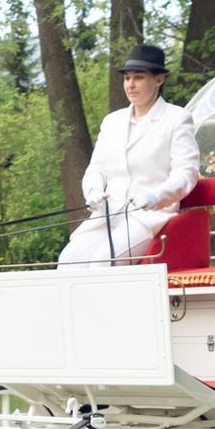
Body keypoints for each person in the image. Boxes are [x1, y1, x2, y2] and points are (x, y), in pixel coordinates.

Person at [57, 43, 201, 266]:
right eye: (127, 78)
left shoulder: (177, 119)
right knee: (68, 261)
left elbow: (187, 173)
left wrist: (156, 196)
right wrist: (93, 191)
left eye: (139, 78)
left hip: (147, 217)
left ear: (159, 80)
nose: (130, 85)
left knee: (103, 263)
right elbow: (96, 169)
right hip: (108, 215)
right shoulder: (112, 122)